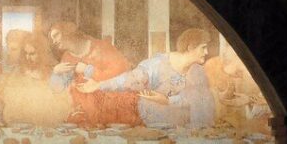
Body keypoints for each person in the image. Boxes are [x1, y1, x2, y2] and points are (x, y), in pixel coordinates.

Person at [77, 28, 215, 128]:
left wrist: (167, 101)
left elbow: (196, 101)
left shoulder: (198, 72)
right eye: (203, 48)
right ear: (190, 47)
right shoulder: (157, 64)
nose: (206, 52)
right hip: (155, 125)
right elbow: (129, 80)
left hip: (183, 129)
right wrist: (99, 85)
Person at [48, 21, 140, 126]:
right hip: (86, 116)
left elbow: (122, 75)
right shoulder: (67, 58)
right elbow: (58, 90)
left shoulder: (102, 47)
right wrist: (56, 73)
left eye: (56, 35)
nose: (54, 41)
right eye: (52, 38)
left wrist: (88, 70)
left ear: (68, 31)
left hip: (113, 112)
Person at [0, 32, 71, 126]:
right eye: (26, 53)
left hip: (42, 127)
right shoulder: (19, 71)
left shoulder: (52, 74)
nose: (28, 57)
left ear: (42, 54)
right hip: (16, 126)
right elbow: (5, 92)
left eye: (32, 54)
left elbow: (62, 105)